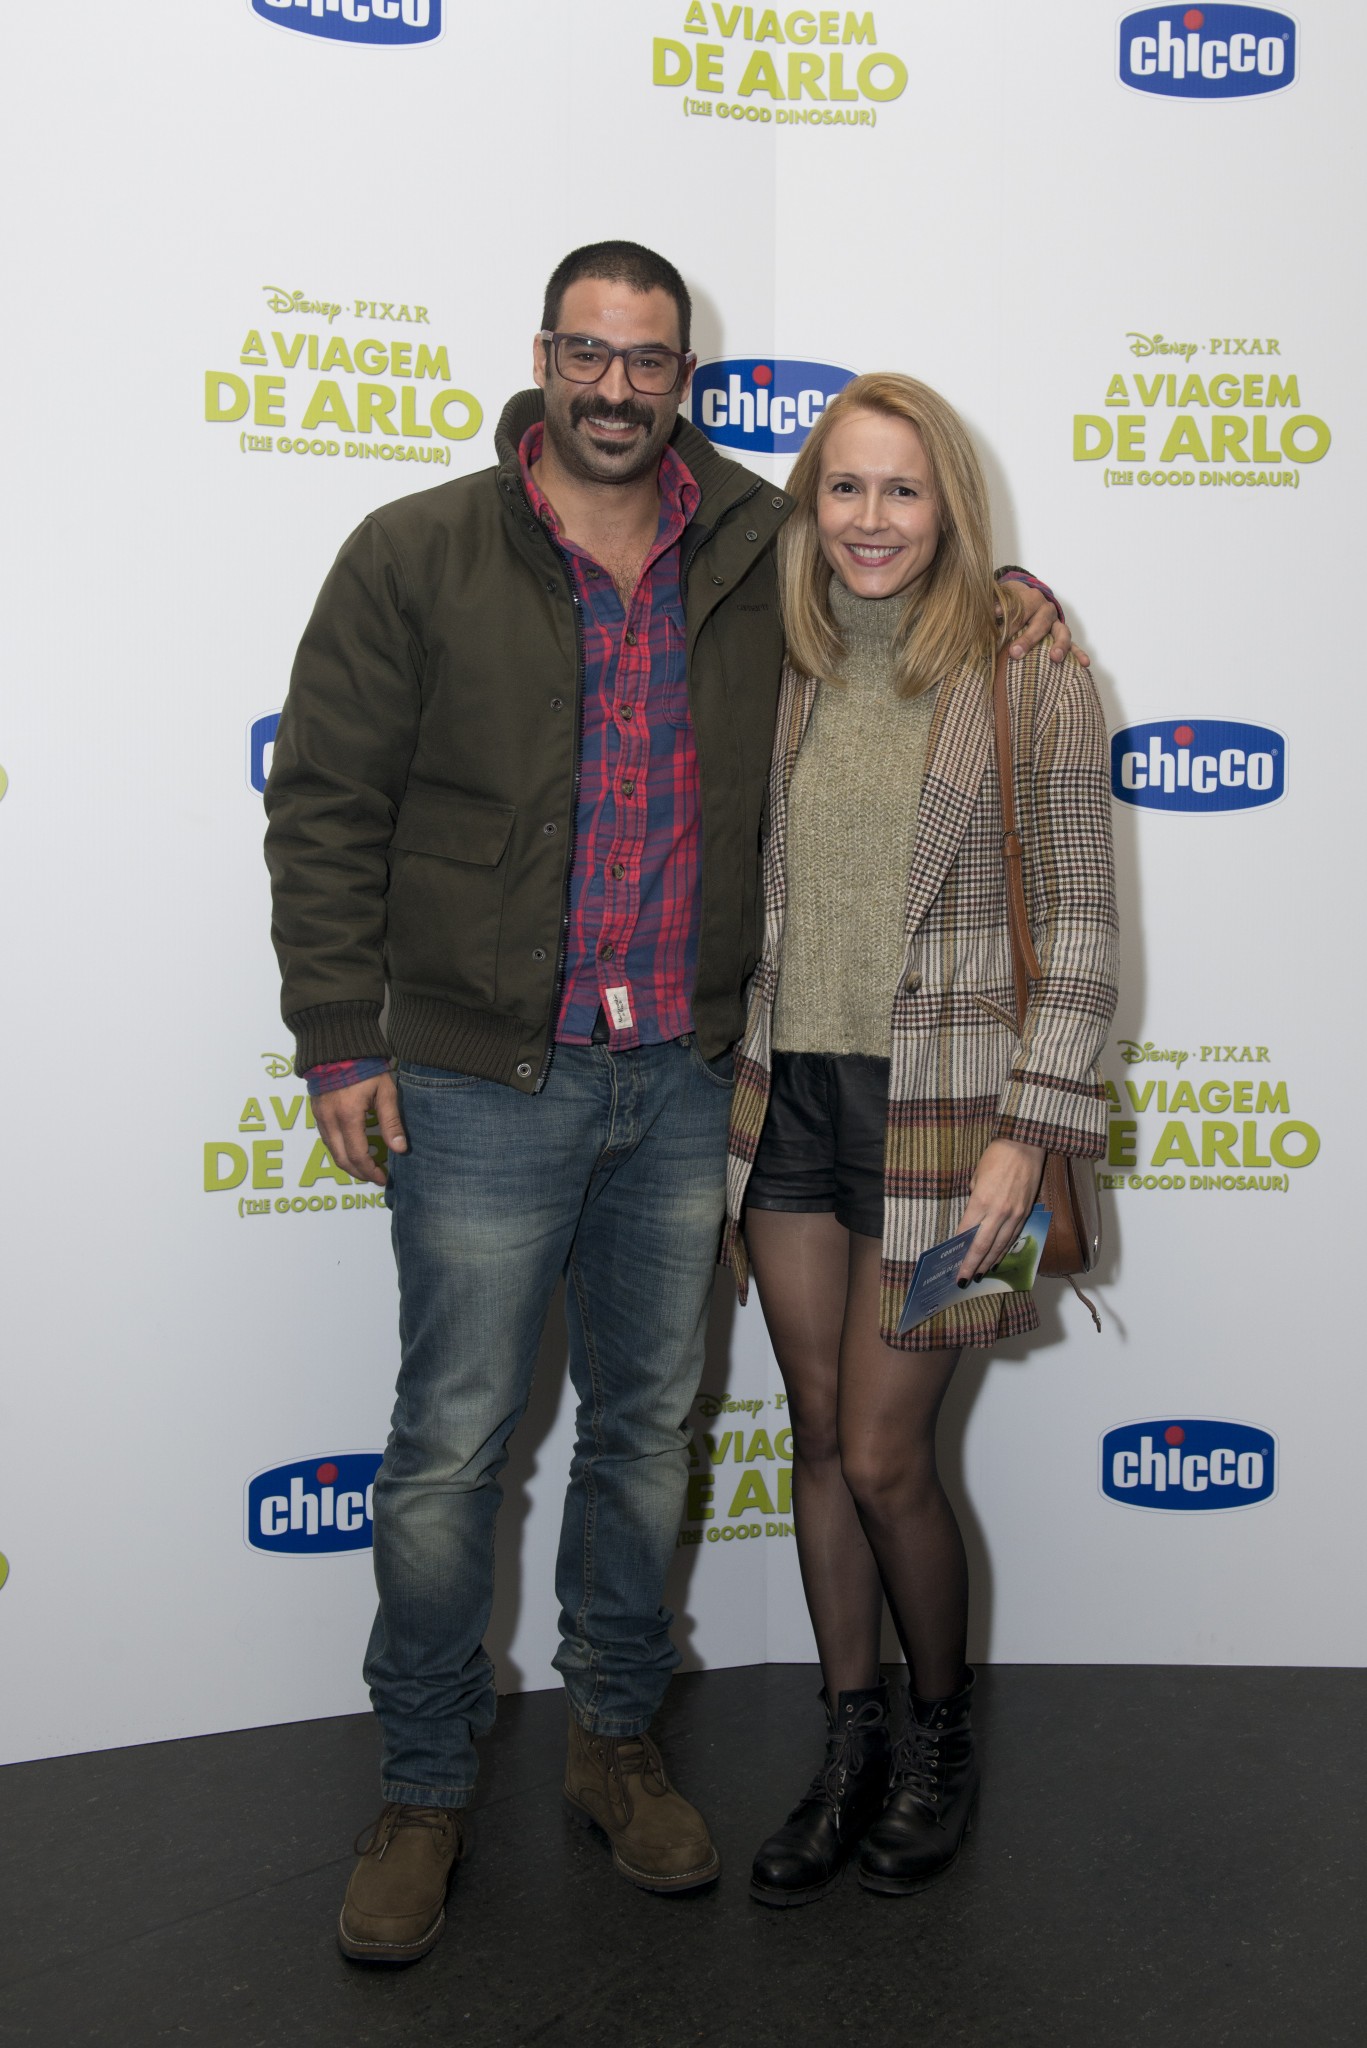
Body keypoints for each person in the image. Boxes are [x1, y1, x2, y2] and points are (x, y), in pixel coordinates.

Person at [263, 245, 1073, 1964]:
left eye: (650, 361)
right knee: (453, 1451)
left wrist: (1019, 591)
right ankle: (426, 1786)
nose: (617, 387)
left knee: (715, 1443)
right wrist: (340, 1035)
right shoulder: (419, 549)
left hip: (829, 1106)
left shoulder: (763, 552)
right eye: (590, 353)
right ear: (544, 357)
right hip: (550, 1083)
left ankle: (644, 1742)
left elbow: (1064, 898)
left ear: (687, 377)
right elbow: (324, 801)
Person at [721, 373, 1118, 1906]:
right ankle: (850, 1747)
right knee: (820, 1438)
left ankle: (941, 1740)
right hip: (788, 1108)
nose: (872, 520)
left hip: (966, 1131)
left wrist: (1030, 1133)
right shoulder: (782, 660)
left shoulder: (1031, 676)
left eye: (903, 489)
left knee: (891, 1457)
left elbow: (1080, 936)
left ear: (950, 503)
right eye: (845, 487)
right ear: (807, 506)